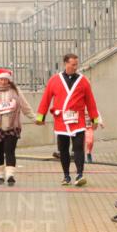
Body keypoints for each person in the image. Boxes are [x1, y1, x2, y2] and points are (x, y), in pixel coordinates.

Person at [36, 53, 102, 186]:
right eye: (73, 64)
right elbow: (46, 99)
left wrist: (95, 119)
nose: (75, 67)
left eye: (76, 64)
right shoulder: (54, 80)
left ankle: (79, 175)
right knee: (63, 150)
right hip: (61, 121)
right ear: (65, 63)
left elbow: (90, 101)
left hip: (78, 121)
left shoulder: (83, 81)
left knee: (78, 148)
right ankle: (66, 176)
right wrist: (40, 117)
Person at [0, 67, 34, 186]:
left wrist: (35, 118)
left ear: (9, 80)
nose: (3, 82)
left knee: (10, 151)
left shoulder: (15, 91)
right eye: (1, 80)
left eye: (6, 80)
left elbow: (25, 107)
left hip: (12, 126)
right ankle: (0, 175)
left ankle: (10, 175)